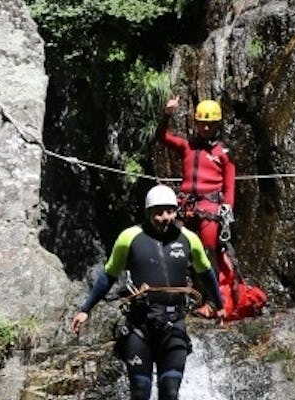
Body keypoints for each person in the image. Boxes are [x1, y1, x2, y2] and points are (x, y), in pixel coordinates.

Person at [71, 184, 224, 400]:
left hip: (174, 325)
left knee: (170, 393)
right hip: (139, 326)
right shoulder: (130, 237)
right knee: (140, 393)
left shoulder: (188, 238)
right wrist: (85, 309)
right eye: (159, 212)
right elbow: (108, 276)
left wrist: (219, 304)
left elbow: (207, 273)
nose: (165, 217)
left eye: (170, 211)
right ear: (148, 212)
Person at [158, 97, 236, 318]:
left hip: (210, 208)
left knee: (207, 253)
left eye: (210, 123)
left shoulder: (223, 154)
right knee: (175, 249)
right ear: (196, 123)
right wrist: (167, 114)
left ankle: (212, 302)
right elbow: (161, 137)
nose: (206, 127)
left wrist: (227, 210)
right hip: (184, 206)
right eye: (202, 123)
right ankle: (178, 297)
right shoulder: (187, 146)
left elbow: (230, 185)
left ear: (218, 124)